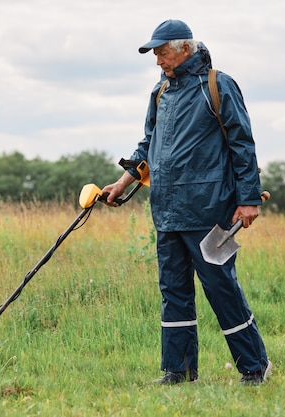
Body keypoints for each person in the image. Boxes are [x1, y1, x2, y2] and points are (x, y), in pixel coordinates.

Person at [102, 19, 271, 385]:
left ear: (184, 48)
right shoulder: (160, 93)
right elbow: (147, 144)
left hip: (210, 210)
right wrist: (121, 182)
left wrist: (248, 200)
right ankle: (178, 370)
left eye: (162, 53)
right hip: (167, 211)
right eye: (156, 54)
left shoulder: (218, 85)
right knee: (173, 293)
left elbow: (243, 145)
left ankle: (255, 367)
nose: (158, 61)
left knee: (222, 289)